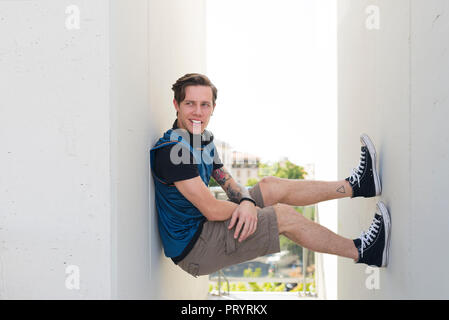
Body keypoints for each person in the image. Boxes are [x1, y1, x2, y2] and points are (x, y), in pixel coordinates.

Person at [150, 73, 391, 277]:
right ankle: (364, 251)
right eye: (190, 104)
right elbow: (211, 209)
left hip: (206, 228)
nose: (198, 112)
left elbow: (228, 182)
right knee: (282, 216)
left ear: (213, 108)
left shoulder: (201, 140)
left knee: (271, 185)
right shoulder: (174, 151)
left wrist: (245, 200)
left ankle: (359, 185)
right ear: (176, 105)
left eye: (205, 105)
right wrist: (250, 210)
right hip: (196, 248)